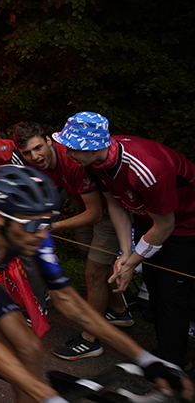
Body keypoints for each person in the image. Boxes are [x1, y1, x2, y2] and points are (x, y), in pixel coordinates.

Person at [0, 164, 193, 403]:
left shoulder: (31, 227)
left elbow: (69, 302)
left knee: (29, 348)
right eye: (31, 226)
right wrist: (48, 396)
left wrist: (146, 359)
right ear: (0, 219)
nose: (41, 234)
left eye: (45, 222)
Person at [54, 111, 195, 370]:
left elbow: (166, 225)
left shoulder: (146, 170)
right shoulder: (97, 162)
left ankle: (171, 365)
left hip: (184, 225)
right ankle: (165, 348)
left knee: (171, 294)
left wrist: (131, 263)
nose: (68, 154)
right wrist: (125, 253)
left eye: (73, 148)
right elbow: (116, 205)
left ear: (93, 146)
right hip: (149, 218)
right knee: (153, 284)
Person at [13, 121, 131, 360]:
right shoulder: (38, 162)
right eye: (27, 152)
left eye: (38, 148)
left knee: (94, 273)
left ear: (48, 141)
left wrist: (52, 226)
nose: (34, 156)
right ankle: (119, 311)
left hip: (108, 211)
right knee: (93, 261)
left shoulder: (71, 161)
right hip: (84, 206)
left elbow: (96, 212)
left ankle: (90, 339)